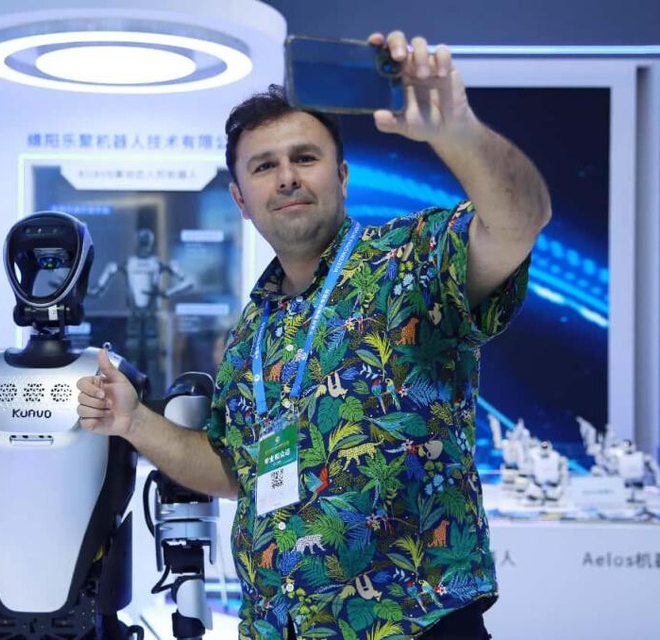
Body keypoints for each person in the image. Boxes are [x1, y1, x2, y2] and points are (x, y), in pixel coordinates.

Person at [77, 30, 549, 639]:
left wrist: (455, 130)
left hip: (414, 626)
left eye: (305, 158)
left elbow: (521, 219)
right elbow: (236, 470)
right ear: (240, 199)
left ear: (342, 175)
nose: (286, 178)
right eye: (264, 166)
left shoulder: (411, 261)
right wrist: (133, 421)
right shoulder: (252, 333)